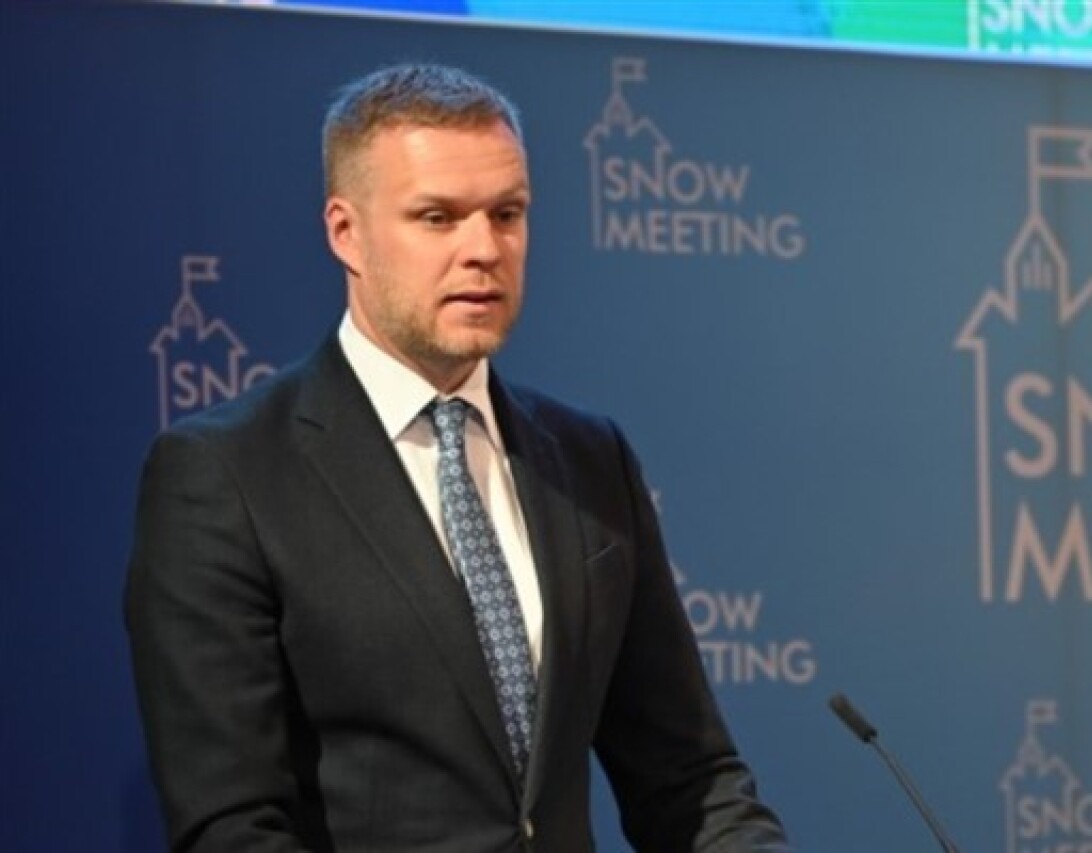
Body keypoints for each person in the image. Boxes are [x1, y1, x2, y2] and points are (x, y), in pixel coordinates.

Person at [125, 62, 791, 853]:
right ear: (346, 233)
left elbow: (691, 784)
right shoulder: (225, 475)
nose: (484, 249)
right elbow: (232, 827)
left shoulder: (590, 459)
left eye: (507, 213)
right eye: (438, 217)